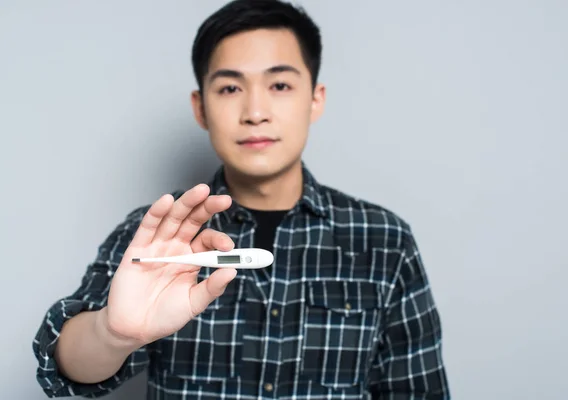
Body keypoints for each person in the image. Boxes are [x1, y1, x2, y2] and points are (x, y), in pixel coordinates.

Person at [32, 0, 450, 398]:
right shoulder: (160, 231)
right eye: (230, 88)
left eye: (280, 84)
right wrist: (113, 333)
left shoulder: (384, 240)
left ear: (315, 98)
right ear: (201, 108)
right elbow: (62, 368)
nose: (255, 111)